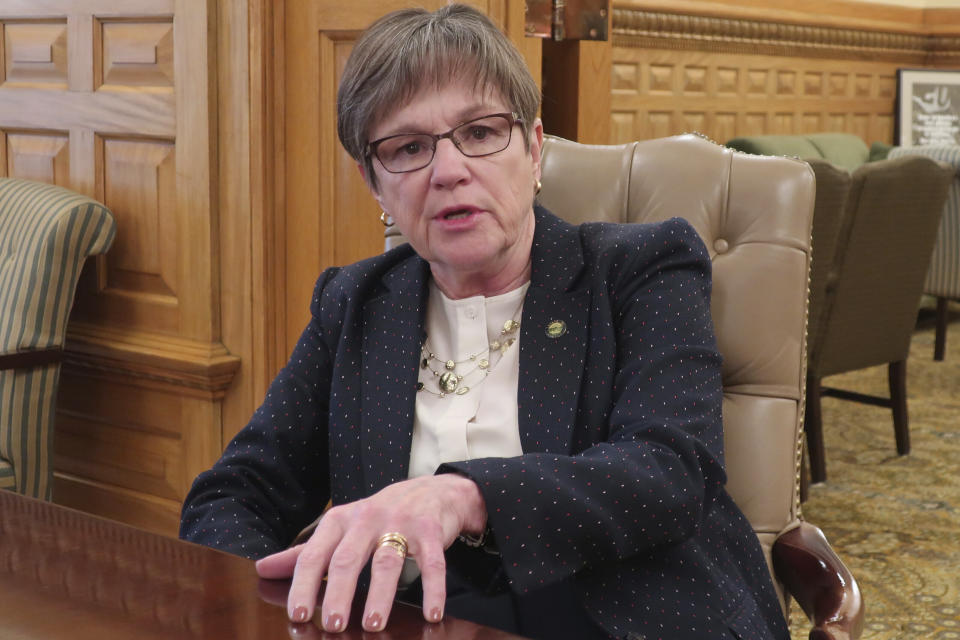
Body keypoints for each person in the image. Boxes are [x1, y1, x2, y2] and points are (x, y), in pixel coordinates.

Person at [180, 5, 790, 639]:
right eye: (408, 147)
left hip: (620, 620)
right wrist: (283, 603)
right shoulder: (354, 303)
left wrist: (463, 495)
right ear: (374, 184)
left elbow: (669, 470)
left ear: (533, 149)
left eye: (479, 132)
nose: (448, 171)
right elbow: (233, 494)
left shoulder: (639, 269)